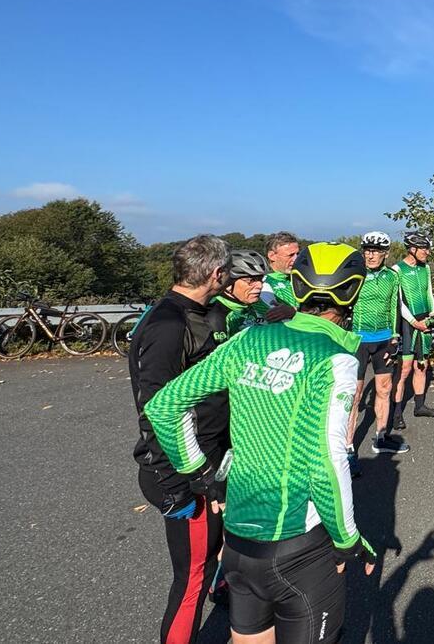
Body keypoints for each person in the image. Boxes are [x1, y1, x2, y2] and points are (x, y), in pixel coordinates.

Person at [144, 241, 378, 644]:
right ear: (353, 292)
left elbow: (164, 406)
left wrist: (200, 473)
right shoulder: (336, 359)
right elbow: (327, 457)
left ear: (297, 285)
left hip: (238, 540)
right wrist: (347, 540)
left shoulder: (249, 338)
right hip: (298, 543)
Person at [129, 234, 232, 644]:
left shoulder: (197, 312)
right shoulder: (168, 324)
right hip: (182, 474)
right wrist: (181, 484)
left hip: (206, 463)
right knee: (191, 579)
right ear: (216, 273)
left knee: (210, 561)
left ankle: (224, 590)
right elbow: (155, 409)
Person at [350, 232, 408, 455]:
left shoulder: (393, 277)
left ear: (386, 254)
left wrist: (395, 337)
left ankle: (380, 437)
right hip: (358, 339)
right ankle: (347, 447)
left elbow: (395, 306)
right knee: (355, 395)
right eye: (367, 250)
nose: (370, 255)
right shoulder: (356, 274)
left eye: (375, 251)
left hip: (384, 339)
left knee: (384, 389)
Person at [392, 231, 434, 426]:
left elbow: (429, 292)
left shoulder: (425, 268)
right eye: (424, 249)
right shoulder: (397, 269)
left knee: (422, 365)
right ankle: (396, 413)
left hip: (424, 320)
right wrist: (413, 322)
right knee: (404, 369)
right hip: (407, 323)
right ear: (412, 249)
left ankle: (420, 406)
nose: (427, 252)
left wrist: (432, 314)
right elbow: (399, 302)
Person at [210, 249, 275, 339]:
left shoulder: (256, 304)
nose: (260, 285)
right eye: (251, 280)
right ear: (228, 283)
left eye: (261, 279)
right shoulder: (215, 316)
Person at [260, 231, 300, 309]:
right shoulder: (262, 283)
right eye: (290, 255)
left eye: (298, 254)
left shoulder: (300, 279)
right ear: (272, 256)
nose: (296, 259)